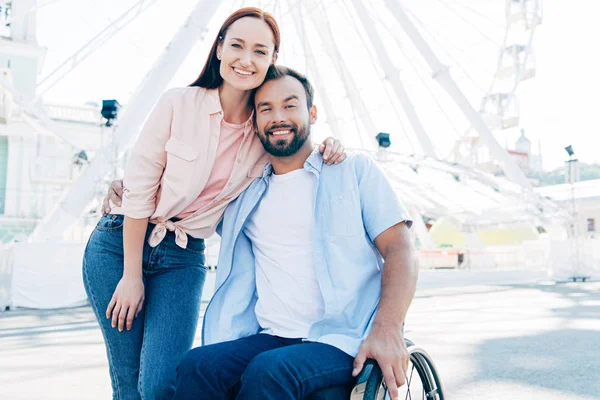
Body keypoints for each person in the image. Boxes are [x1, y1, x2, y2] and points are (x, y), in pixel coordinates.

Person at [83, 8, 346, 400]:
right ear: (219, 48)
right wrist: (132, 276)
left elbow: (296, 141)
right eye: (237, 45)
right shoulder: (178, 103)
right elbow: (138, 191)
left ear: (273, 59)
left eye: (260, 51)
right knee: (128, 377)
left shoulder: (263, 133)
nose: (246, 59)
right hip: (120, 246)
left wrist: (332, 146)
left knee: (161, 383)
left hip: (183, 256)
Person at [172, 66, 418, 400]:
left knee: (270, 372)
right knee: (197, 365)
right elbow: (179, 200)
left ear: (311, 113)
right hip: (273, 336)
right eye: (266, 109)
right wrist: (126, 191)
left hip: (343, 337)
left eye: (290, 105)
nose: (278, 117)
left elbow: (400, 250)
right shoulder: (242, 193)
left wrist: (388, 329)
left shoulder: (353, 171)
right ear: (255, 121)